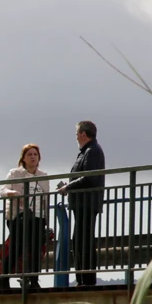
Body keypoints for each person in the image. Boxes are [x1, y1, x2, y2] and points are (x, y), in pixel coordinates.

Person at [56, 120, 105, 286]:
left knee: (84, 241)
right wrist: (68, 187)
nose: (76, 136)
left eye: (77, 133)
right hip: (82, 203)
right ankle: (82, 278)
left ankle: (86, 280)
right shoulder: (87, 151)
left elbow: (89, 177)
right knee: (79, 240)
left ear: (83, 134)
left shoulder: (93, 151)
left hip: (87, 203)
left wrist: (68, 187)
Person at [0, 144, 50, 290]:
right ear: (23, 158)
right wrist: (12, 193)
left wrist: (46, 219)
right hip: (17, 215)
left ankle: (34, 280)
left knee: (36, 249)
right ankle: (4, 279)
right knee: (16, 247)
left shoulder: (43, 175)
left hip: (38, 216)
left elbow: (46, 197)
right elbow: (3, 190)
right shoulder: (15, 173)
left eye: (35, 154)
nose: (33, 157)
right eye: (29, 154)